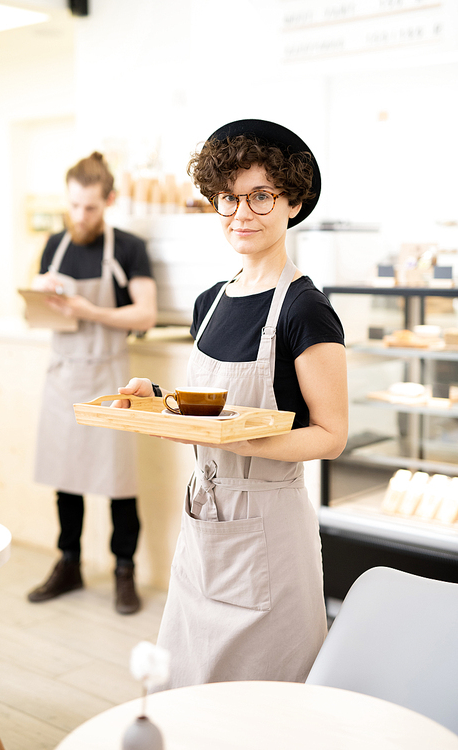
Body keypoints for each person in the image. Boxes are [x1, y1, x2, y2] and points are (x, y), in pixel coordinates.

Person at [114, 119, 348, 684]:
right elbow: (220, 404)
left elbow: (331, 434)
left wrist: (241, 438)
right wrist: (162, 399)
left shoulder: (305, 309)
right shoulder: (209, 302)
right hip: (205, 521)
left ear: (292, 202)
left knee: (262, 701)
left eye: (260, 196)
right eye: (227, 198)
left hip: (268, 530)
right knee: (188, 680)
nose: (241, 213)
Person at [27, 152, 157, 614]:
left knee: (118, 480)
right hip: (63, 373)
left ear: (110, 201)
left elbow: (145, 313)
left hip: (108, 374)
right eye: (74, 206)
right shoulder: (54, 244)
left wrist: (90, 311)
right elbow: (43, 315)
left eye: (90, 208)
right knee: (66, 477)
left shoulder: (129, 248)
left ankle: (124, 571)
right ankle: (69, 564)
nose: (80, 216)